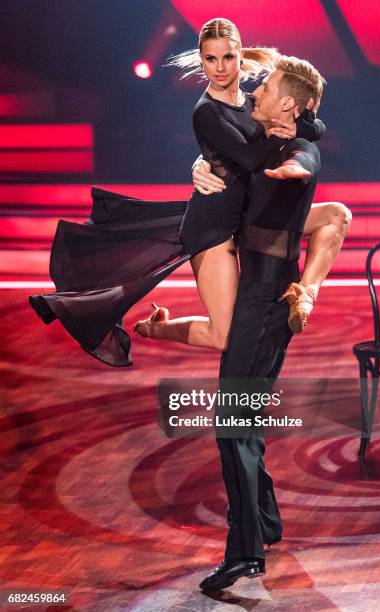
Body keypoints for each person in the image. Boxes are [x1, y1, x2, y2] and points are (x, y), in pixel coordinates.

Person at [29, 17, 341, 366]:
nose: (220, 68)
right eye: (210, 59)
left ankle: (307, 292)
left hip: (242, 216)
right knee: (223, 334)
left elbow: (317, 124)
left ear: (241, 57)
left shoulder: (252, 100)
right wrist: (279, 133)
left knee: (335, 215)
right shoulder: (206, 111)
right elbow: (251, 159)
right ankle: (157, 329)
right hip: (213, 227)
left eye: (227, 58)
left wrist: (298, 124)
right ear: (201, 59)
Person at [199, 54, 324, 591]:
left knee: (233, 425)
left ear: (288, 104)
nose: (255, 90)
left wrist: (296, 168)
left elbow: (306, 155)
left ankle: (246, 552)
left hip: (264, 299)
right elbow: (235, 149)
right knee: (241, 421)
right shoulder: (262, 140)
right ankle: (266, 522)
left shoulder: (294, 149)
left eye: (266, 86)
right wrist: (199, 167)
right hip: (260, 299)